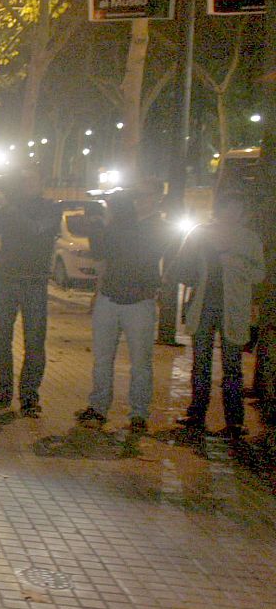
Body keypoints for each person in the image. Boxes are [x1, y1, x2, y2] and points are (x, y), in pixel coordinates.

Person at [75, 185, 168, 433]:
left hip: (138, 301)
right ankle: (99, 407)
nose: (141, 201)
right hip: (112, 297)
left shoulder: (155, 227)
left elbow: (143, 254)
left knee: (139, 362)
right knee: (104, 359)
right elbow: (100, 255)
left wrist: (104, 227)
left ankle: (137, 413)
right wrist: (99, 228)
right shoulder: (118, 227)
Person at [172, 192, 266, 438]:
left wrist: (237, 264)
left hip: (234, 309)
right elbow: (183, 262)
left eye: (238, 209)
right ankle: (196, 413)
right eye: (229, 208)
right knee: (200, 363)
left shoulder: (249, 239)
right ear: (220, 209)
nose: (232, 213)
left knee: (232, 365)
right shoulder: (201, 233)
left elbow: (260, 274)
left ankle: (234, 421)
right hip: (203, 306)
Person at [0, 168, 60, 417]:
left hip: (34, 281)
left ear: (42, 181)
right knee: (1, 338)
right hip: (7, 278)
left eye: (31, 179)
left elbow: (37, 230)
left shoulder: (51, 208)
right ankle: (3, 392)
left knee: (34, 342)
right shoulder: (10, 207)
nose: (26, 183)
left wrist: (8, 208)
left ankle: (29, 397)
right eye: (23, 179)